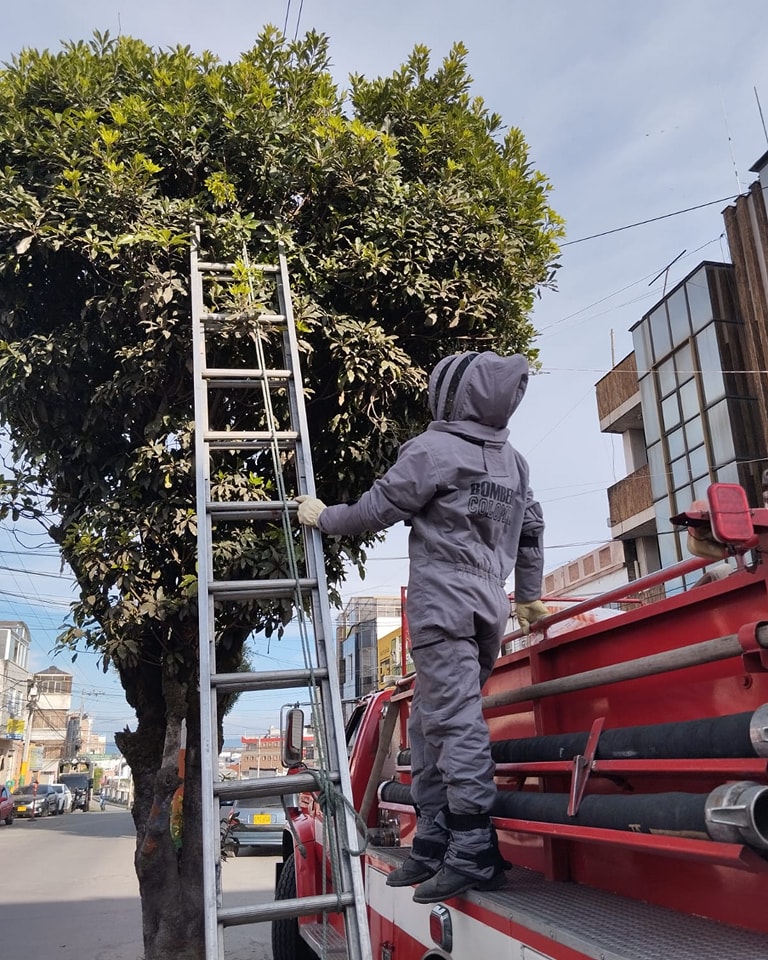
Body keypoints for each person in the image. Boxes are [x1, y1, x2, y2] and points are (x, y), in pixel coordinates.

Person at [297, 350, 549, 903]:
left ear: (453, 395)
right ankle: (434, 839)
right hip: (489, 606)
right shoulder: (515, 462)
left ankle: (474, 848)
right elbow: (531, 530)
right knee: (430, 723)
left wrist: (323, 516)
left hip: (443, 604)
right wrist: (527, 596)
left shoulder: (433, 450)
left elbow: (377, 508)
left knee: (453, 723)